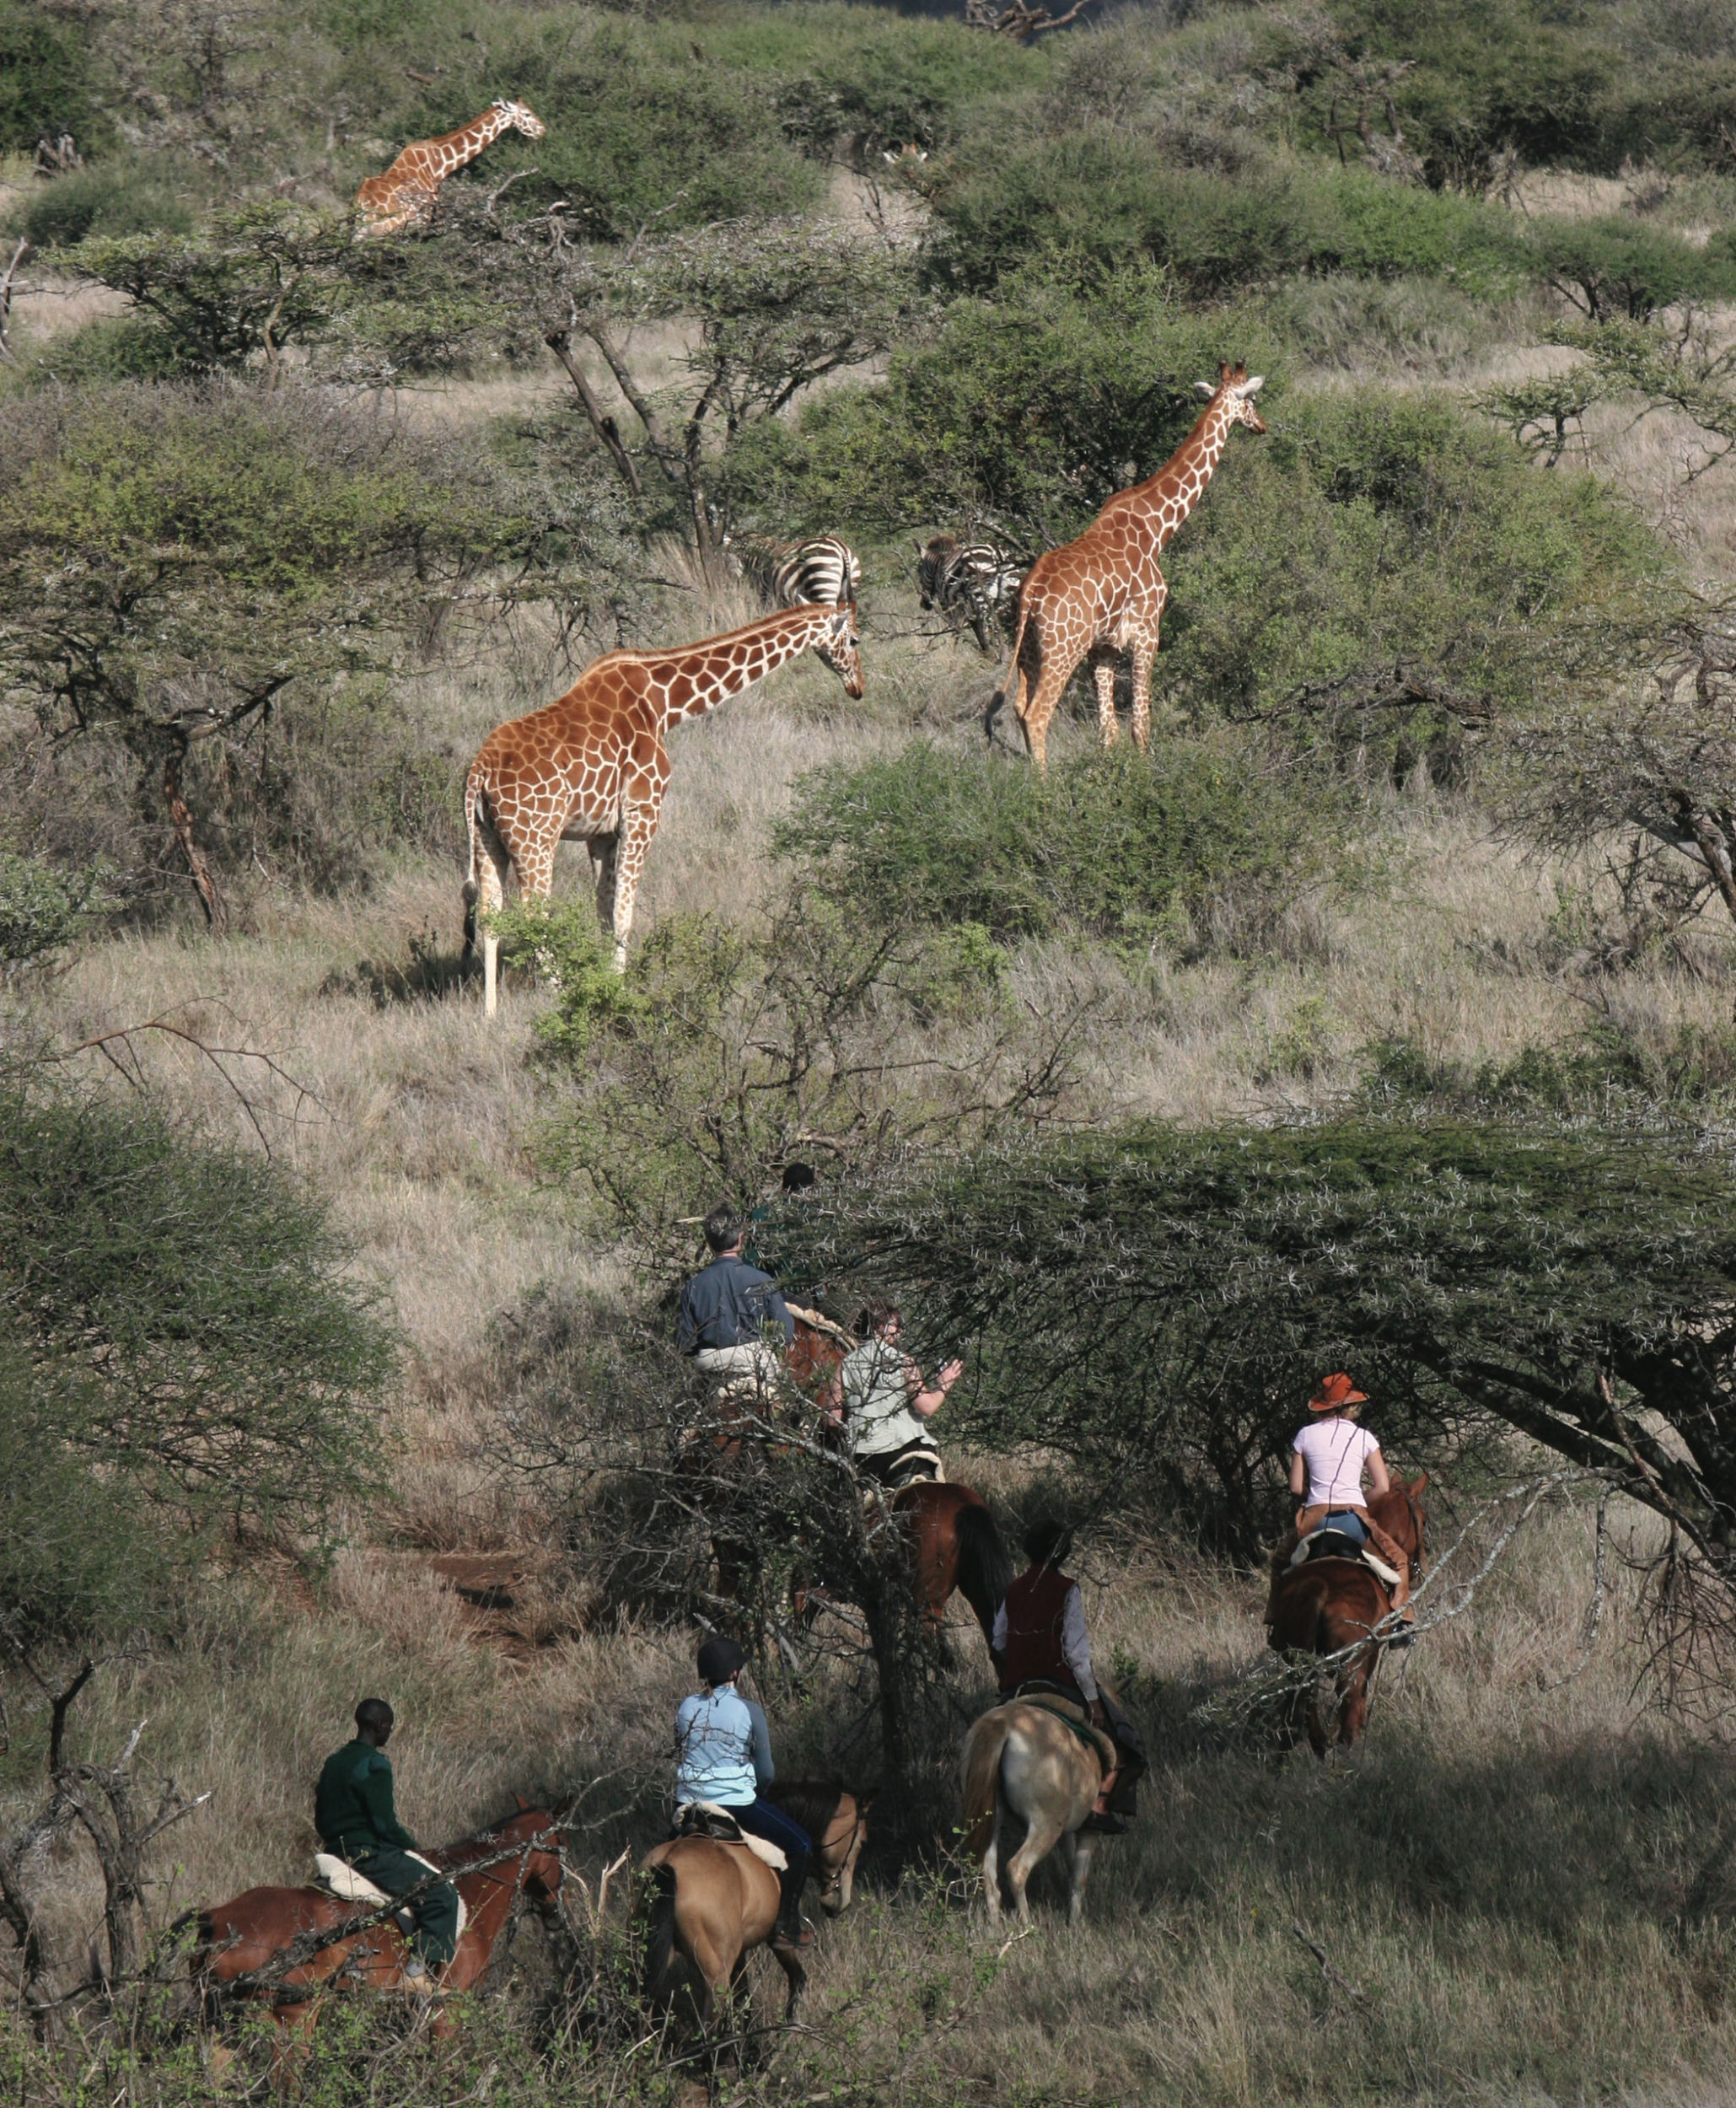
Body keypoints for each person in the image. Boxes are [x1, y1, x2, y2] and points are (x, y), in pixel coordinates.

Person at [992, 1519, 1145, 1834]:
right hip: (1059, 1685)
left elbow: (998, 1641)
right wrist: (1093, 1701)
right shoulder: (1067, 1589)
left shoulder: (1014, 1589)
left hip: (1018, 1688)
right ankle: (1099, 1807)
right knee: (1126, 1742)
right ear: (1062, 1552)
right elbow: (1076, 1654)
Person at [674, 1634, 814, 1951]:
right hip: (737, 1803)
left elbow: (679, 1749)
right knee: (801, 1843)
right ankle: (786, 1925)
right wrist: (759, 1793)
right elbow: (766, 1772)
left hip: (689, 1801)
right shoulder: (750, 1711)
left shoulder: (685, 1708)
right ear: (735, 1674)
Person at [314, 1698, 461, 1983]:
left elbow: (320, 1820)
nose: (390, 1732)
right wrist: (413, 1846)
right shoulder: (374, 1764)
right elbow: (384, 1825)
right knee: (442, 1894)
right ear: (380, 1725)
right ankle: (417, 1973)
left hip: (333, 1853)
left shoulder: (333, 1762)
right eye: (390, 1727)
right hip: (368, 1857)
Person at [1262, 1372, 1413, 1628]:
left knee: (1279, 1562)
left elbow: (1296, 1487)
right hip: (1353, 1521)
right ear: (1351, 1405)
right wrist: (1358, 1500)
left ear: (1323, 1404)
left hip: (1313, 1521)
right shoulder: (1364, 1437)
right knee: (1399, 1560)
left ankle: (1274, 1616)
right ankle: (1401, 1621)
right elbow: (1383, 1487)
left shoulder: (1304, 1435)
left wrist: (1315, 1496)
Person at [826, 1299, 963, 1487]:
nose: (900, 1332)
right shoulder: (904, 1361)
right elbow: (928, 1407)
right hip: (906, 1452)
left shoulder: (844, 1365)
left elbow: (833, 1420)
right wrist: (944, 1385)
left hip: (865, 1458)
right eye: (897, 1326)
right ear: (880, 1326)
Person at [676, 1203, 795, 1396]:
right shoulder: (762, 1280)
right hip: (757, 1365)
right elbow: (786, 1331)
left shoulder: (693, 1286)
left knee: (682, 1419)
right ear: (740, 1239)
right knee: (791, 1413)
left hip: (711, 1369)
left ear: (708, 1243)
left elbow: (685, 1343)